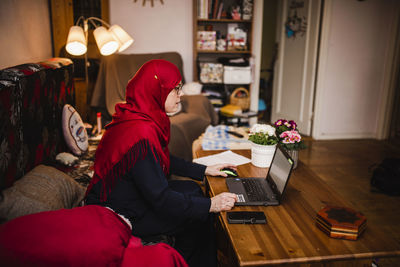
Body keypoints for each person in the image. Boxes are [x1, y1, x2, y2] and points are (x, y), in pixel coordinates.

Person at [85, 59, 237, 267]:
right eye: (175, 89)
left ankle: (188, 256)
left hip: (127, 194)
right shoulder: (142, 132)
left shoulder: (140, 115)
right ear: (157, 90)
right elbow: (161, 198)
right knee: (200, 215)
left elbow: (163, 159)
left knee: (192, 188)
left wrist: (205, 170)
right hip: (121, 212)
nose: (181, 94)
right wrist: (212, 205)